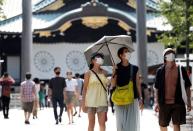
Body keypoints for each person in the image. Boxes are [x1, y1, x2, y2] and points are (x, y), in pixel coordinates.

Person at [154, 48, 192, 131]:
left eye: (172, 53)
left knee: (176, 125)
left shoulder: (181, 69)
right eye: (168, 54)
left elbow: (188, 86)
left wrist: (188, 101)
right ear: (165, 57)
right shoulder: (160, 71)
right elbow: (156, 88)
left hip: (178, 102)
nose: (170, 55)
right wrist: (156, 102)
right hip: (163, 103)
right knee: (163, 125)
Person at [111, 47, 143, 131]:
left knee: (131, 125)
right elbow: (113, 85)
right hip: (119, 99)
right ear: (121, 55)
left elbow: (138, 84)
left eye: (128, 51)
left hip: (133, 98)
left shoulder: (135, 68)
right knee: (121, 125)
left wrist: (140, 98)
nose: (128, 53)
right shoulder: (116, 67)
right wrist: (114, 73)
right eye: (126, 52)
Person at [82, 53, 109, 131]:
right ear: (92, 61)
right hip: (90, 102)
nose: (100, 59)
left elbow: (108, 85)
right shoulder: (88, 73)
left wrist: (114, 73)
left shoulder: (105, 72)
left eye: (101, 58)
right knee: (91, 124)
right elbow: (85, 89)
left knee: (102, 124)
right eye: (98, 58)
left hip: (102, 101)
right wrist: (83, 103)